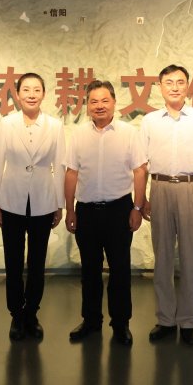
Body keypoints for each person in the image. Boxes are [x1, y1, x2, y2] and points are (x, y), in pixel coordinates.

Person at [140, 64, 193, 346]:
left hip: (191, 187)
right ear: (160, 86)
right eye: (169, 82)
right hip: (159, 187)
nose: (174, 87)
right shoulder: (149, 121)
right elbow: (141, 164)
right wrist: (141, 198)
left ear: (188, 86)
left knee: (191, 258)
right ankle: (165, 319)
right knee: (162, 257)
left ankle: (188, 321)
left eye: (180, 82)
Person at [64, 80, 147, 346]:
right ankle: (91, 321)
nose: (99, 106)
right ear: (87, 105)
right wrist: (69, 209)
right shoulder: (78, 135)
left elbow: (140, 171)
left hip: (119, 210)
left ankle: (121, 324)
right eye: (94, 101)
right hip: (86, 211)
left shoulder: (129, 133)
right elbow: (71, 173)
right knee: (89, 270)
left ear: (114, 103)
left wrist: (137, 207)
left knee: (120, 270)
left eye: (104, 100)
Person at [0, 73, 66, 341]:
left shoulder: (55, 125)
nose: (31, 94)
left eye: (36, 90)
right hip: (11, 199)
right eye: (26, 90)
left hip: (43, 200)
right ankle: (16, 314)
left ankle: (32, 312)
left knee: (36, 261)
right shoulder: (6, 123)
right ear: (17, 94)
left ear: (43, 94)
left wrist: (59, 204)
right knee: (13, 261)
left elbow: (60, 166)